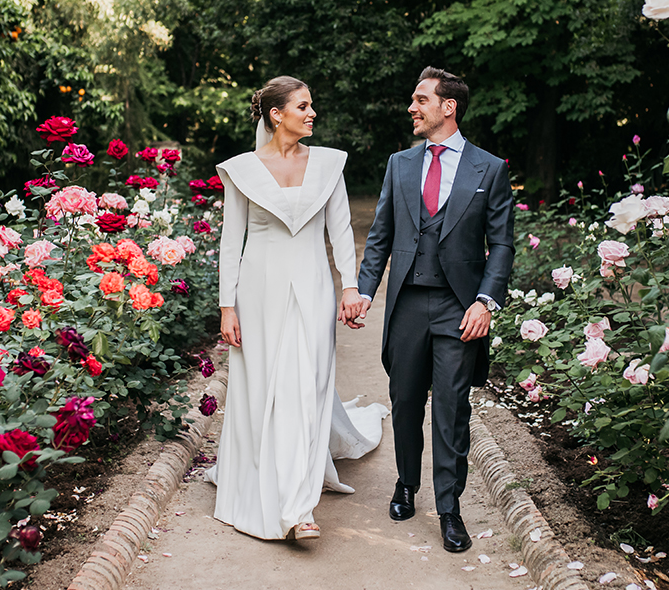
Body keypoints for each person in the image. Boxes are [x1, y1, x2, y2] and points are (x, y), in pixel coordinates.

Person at [208, 76, 389, 542]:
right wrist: (227, 307)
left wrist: (351, 286)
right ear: (276, 114)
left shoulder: (328, 164)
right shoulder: (242, 170)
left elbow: (342, 231)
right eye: (304, 106)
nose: (312, 114)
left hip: (312, 287)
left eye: (312, 106)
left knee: (307, 388)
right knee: (263, 388)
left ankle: (298, 507)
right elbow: (232, 242)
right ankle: (261, 485)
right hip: (258, 291)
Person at [343, 67, 514, 553]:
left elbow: (501, 245)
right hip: (408, 305)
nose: (412, 107)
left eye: (421, 100)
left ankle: (449, 507)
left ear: (448, 106)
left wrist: (486, 300)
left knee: (452, 410)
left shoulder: (489, 168)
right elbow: (379, 237)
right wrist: (365, 291)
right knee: (405, 402)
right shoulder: (399, 164)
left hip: (460, 308)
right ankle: (405, 484)